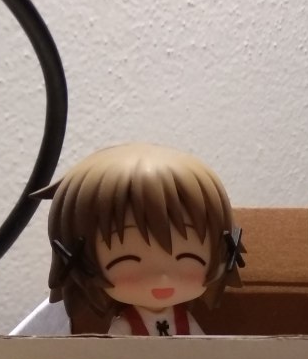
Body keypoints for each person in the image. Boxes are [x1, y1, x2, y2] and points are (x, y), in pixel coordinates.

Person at [36, 142, 242, 335]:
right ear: (78, 261)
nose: (162, 278)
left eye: (189, 257)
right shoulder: (124, 326)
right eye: (126, 260)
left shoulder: (185, 321)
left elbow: (204, 350)